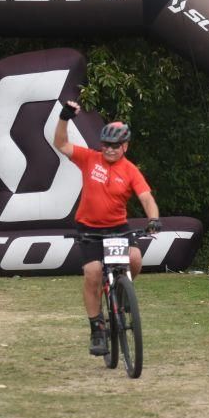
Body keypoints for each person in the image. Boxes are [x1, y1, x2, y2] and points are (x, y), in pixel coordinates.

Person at [53, 100, 161, 356]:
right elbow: (61, 144)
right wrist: (64, 117)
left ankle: (122, 292)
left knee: (135, 258)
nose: (110, 150)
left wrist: (153, 219)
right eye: (106, 145)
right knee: (92, 272)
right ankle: (97, 329)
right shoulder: (90, 159)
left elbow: (146, 198)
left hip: (117, 229)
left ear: (125, 146)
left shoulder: (130, 170)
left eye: (116, 145)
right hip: (88, 228)